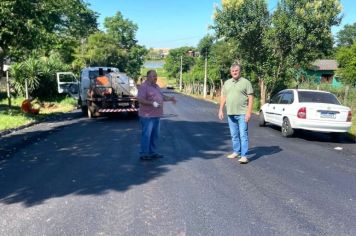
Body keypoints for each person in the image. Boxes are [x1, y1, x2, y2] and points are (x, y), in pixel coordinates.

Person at [218, 62, 254, 164]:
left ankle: (244, 156)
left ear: (240, 71)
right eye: (233, 71)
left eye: (236, 70)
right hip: (230, 113)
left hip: (242, 113)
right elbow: (224, 97)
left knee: (243, 134)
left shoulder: (246, 82)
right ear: (231, 72)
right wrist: (220, 109)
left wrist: (249, 113)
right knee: (234, 135)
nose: (234, 72)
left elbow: (251, 98)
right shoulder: (227, 83)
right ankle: (236, 151)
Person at [137, 70, 176, 160]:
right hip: (147, 116)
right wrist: (152, 103)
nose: (156, 77)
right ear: (148, 77)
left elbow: (162, 97)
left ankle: (153, 152)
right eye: (153, 76)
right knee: (146, 135)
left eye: (156, 76)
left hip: (156, 116)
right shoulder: (144, 87)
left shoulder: (156, 86)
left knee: (154, 135)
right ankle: (144, 154)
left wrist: (171, 98)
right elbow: (140, 100)